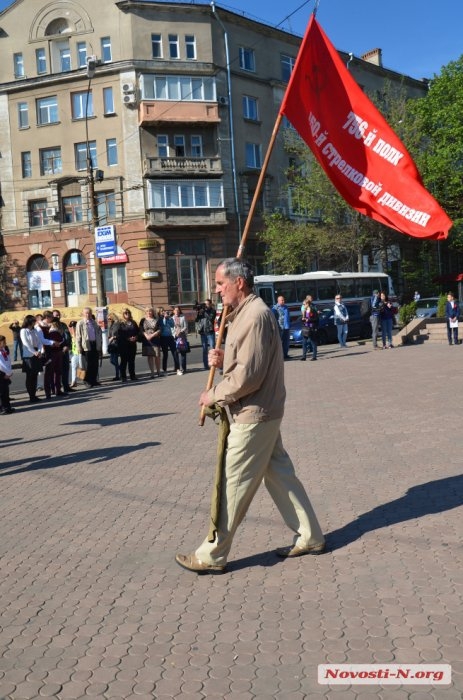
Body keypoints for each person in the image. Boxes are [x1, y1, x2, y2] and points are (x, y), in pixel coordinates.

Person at [175, 258, 325, 574]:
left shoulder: (254, 315)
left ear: (238, 283)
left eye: (220, 284)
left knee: (233, 483)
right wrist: (222, 356)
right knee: (281, 475)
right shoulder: (243, 314)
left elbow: (248, 377)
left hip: (254, 412)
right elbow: (244, 361)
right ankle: (310, 536)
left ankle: (212, 554)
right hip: (261, 409)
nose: (216, 291)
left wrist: (212, 395)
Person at [76, 307, 103, 387]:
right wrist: (79, 347)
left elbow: (98, 335)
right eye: (86, 313)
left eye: (89, 313)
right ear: (83, 314)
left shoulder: (94, 323)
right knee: (86, 365)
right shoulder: (80, 323)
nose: (88, 314)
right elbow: (78, 336)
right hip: (86, 346)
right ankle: (86, 381)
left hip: (95, 344)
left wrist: (100, 346)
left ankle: (93, 380)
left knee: (94, 364)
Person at [117, 308, 139, 382]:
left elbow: (137, 331)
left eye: (128, 312)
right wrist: (128, 338)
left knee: (132, 361)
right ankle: (123, 376)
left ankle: (132, 375)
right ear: (123, 314)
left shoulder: (133, 322)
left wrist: (135, 337)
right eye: (125, 313)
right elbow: (119, 334)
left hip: (132, 344)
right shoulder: (120, 323)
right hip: (124, 345)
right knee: (124, 361)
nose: (127, 314)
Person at [139, 307, 161, 378]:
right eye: (147, 311)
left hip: (155, 339)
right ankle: (152, 373)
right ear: (145, 312)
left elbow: (159, 329)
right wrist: (146, 336)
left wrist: (152, 335)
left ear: (153, 312)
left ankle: (158, 372)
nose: (149, 312)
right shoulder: (143, 320)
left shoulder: (157, 319)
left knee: (157, 356)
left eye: (150, 311)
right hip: (147, 340)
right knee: (150, 356)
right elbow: (141, 329)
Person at [196, 299, 216, 370]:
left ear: (210, 304)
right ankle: (206, 366)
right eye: (205, 304)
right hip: (203, 332)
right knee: (204, 349)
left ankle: (213, 364)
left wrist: (204, 311)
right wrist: (198, 312)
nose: (206, 305)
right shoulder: (202, 311)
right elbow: (197, 319)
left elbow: (211, 318)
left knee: (212, 348)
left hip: (210, 332)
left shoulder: (213, 311)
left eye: (207, 304)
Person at [159, 308, 180, 375]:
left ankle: (178, 369)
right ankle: (164, 370)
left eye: (164, 311)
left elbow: (172, 325)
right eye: (162, 311)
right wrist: (165, 318)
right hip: (163, 338)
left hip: (170, 337)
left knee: (175, 352)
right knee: (165, 354)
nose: (164, 312)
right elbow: (163, 324)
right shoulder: (160, 319)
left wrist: (169, 318)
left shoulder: (169, 318)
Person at [300, 295, 319, 361]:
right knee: (304, 342)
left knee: (313, 342)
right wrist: (302, 319)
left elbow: (316, 319)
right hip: (305, 328)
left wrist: (309, 320)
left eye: (304, 304)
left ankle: (314, 356)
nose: (303, 305)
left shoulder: (313, 310)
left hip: (311, 328)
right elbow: (301, 319)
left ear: (307, 304)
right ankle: (304, 356)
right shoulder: (304, 311)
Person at [272, 295, 291, 359]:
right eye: (282, 300)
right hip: (280, 327)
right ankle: (279, 356)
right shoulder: (275, 308)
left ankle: (285, 354)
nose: (283, 301)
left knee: (286, 342)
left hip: (287, 327)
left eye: (283, 300)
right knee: (279, 342)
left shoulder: (286, 307)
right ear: (278, 301)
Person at [0, 335, 15, 414]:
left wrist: (9, 371)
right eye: (3, 342)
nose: (5, 343)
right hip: (1, 373)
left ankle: (7, 407)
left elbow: (7, 361)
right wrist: (7, 372)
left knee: (6, 391)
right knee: (1, 392)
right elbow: (1, 365)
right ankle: (2, 408)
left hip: (5, 373)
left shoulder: (3, 351)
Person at [172, 305, 188, 375]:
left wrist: (181, 331)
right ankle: (177, 368)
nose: (177, 311)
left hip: (182, 337)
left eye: (178, 310)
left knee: (183, 353)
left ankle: (184, 368)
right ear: (173, 311)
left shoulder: (183, 317)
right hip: (175, 337)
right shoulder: (171, 318)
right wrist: (175, 334)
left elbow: (186, 326)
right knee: (175, 353)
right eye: (175, 310)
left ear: (179, 311)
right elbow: (171, 328)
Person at [107, 312, 121, 380]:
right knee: (112, 360)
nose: (109, 320)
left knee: (114, 360)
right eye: (108, 319)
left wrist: (112, 338)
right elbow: (110, 334)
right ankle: (120, 371)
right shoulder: (112, 324)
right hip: (112, 344)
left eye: (109, 319)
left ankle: (118, 374)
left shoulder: (117, 324)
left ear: (113, 318)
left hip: (116, 344)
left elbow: (118, 334)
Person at [68, 321, 79, 387]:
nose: (73, 328)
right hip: (73, 353)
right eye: (71, 326)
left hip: (79, 353)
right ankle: (74, 381)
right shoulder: (71, 335)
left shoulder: (78, 334)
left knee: (81, 368)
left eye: (74, 326)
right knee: (74, 367)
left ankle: (75, 381)